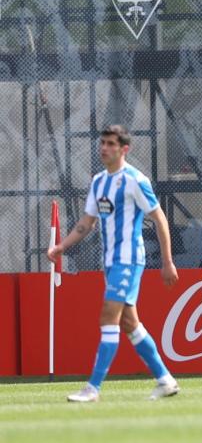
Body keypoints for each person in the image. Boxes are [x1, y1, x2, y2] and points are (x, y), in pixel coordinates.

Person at [47, 125, 180, 402]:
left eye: (110, 143)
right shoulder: (98, 181)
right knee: (131, 324)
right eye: (102, 143)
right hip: (109, 261)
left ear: (124, 149)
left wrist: (167, 261)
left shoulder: (135, 179)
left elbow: (159, 219)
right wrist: (62, 246)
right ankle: (165, 379)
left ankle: (92, 388)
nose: (104, 148)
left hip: (129, 260)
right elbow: (87, 223)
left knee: (108, 317)